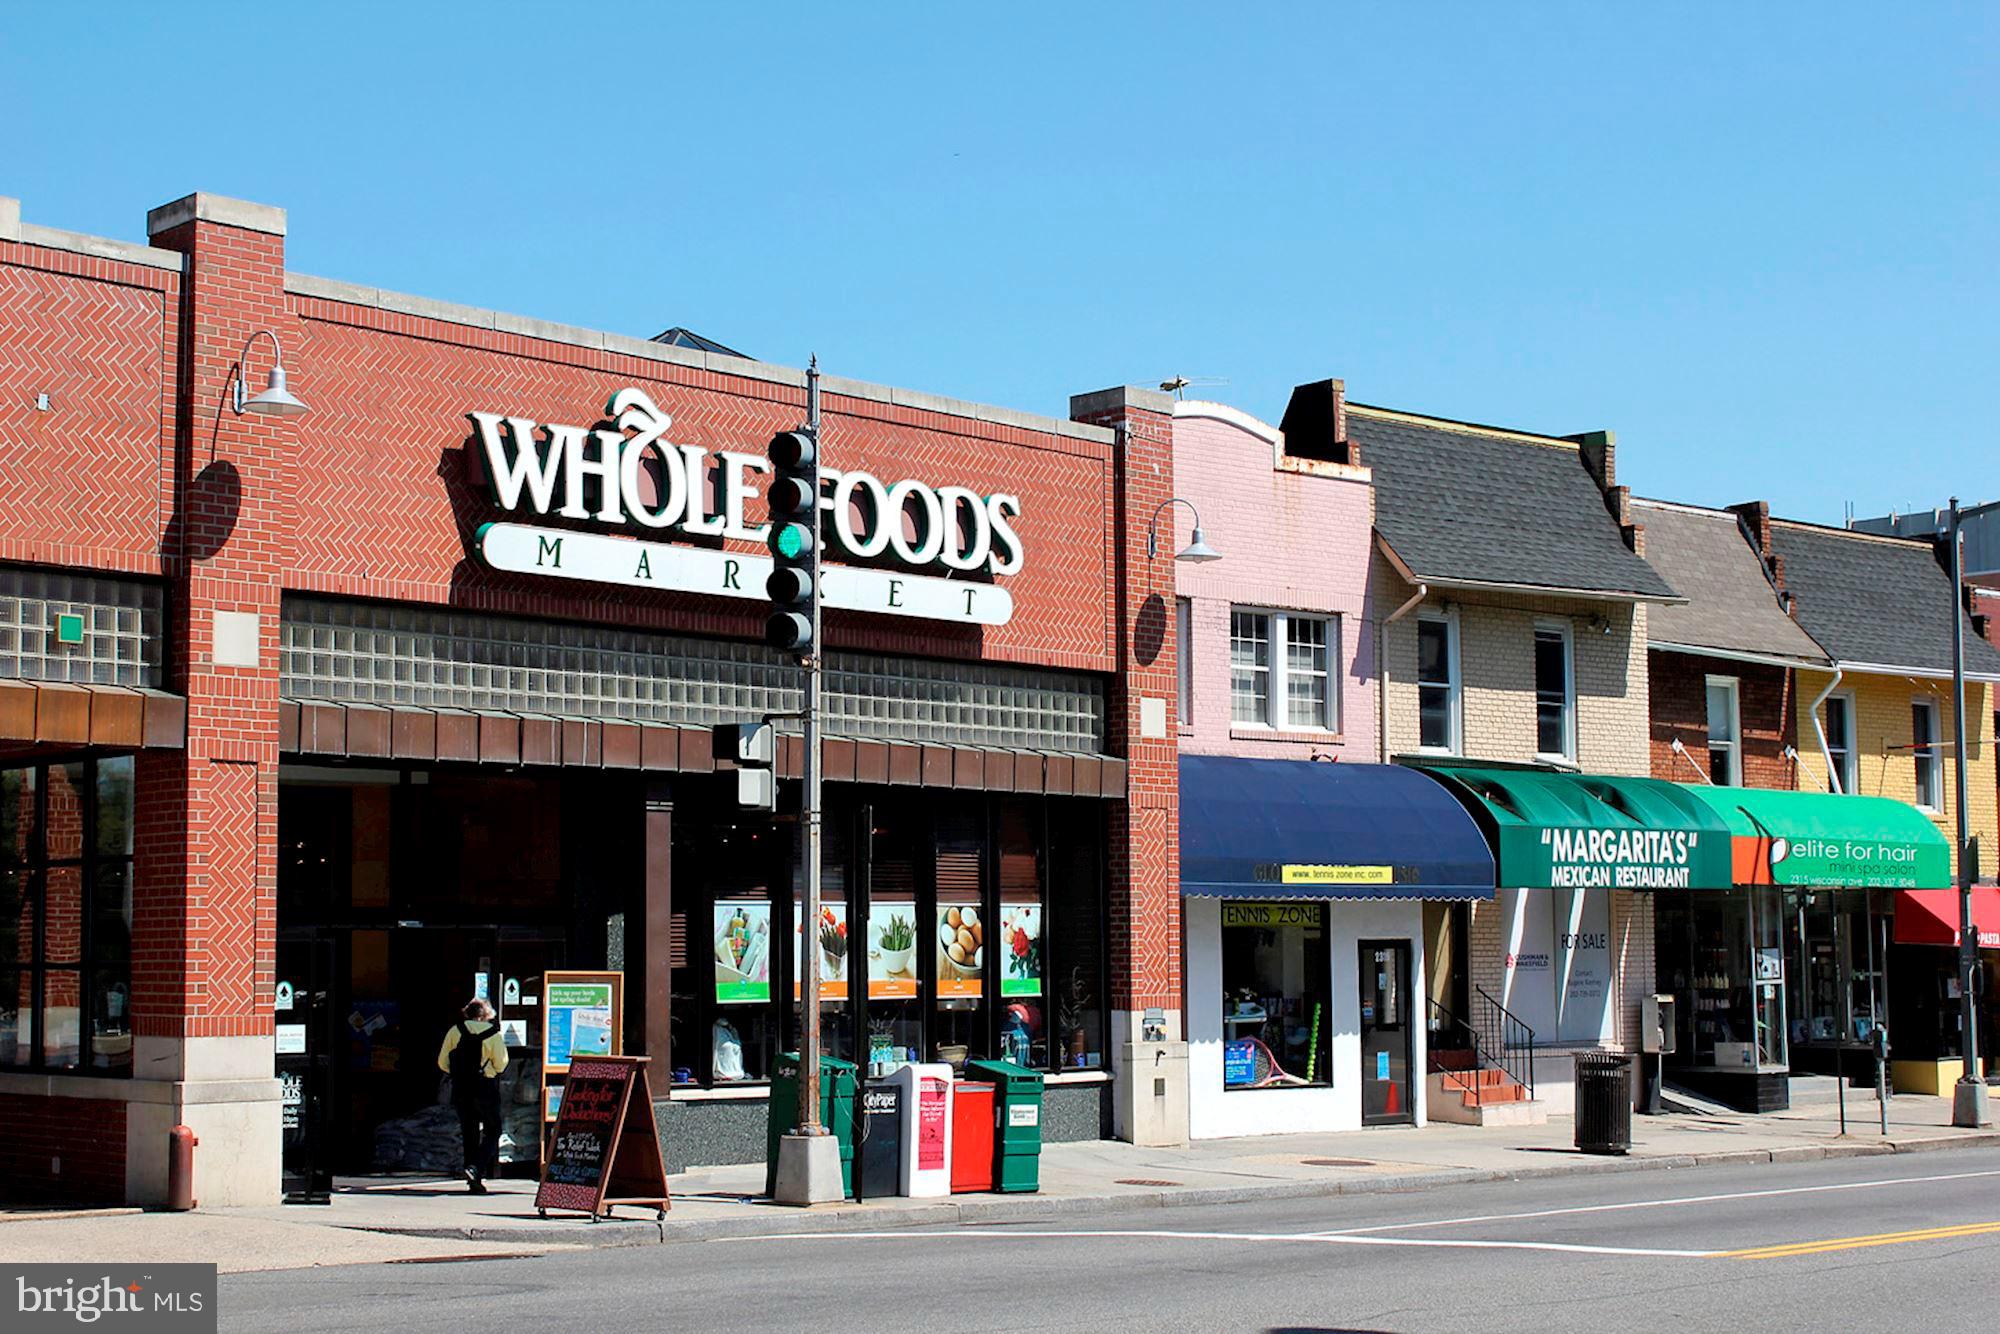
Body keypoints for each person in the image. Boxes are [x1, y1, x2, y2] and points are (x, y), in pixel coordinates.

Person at [437, 998, 508, 1193]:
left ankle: (472, 1179)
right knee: (493, 1130)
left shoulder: (455, 1031)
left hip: (461, 1087)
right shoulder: (492, 1034)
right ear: (485, 1016)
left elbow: (443, 1062)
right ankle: (475, 1168)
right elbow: (501, 1063)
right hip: (485, 1086)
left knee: (469, 1131)